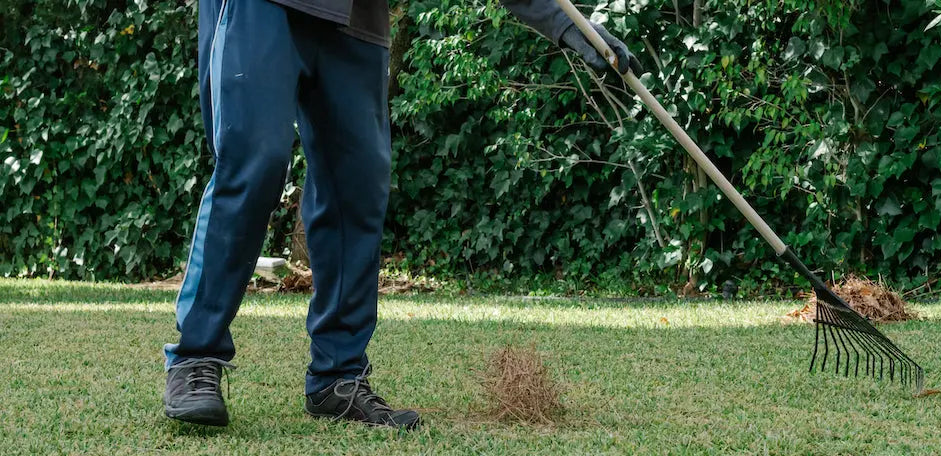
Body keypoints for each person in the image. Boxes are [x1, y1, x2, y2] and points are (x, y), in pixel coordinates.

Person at [163, 0, 639, 429]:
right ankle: (195, 357)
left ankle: (338, 376)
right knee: (255, 162)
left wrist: (571, 27)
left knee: (358, 186)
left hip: (357, 16)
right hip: (262, 8)